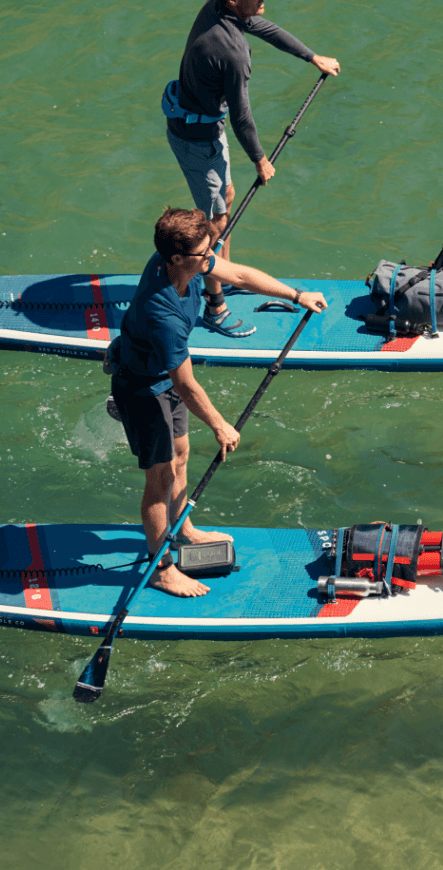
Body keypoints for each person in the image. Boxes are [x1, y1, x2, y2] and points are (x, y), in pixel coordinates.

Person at [111, 208, 327, 597]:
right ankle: (161, 569)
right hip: (143, 389)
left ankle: (185, 529)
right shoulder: (162, 312)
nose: (212, 256)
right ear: (176, 258)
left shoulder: (190, 262)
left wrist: (296, 295)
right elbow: (187, 384)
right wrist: (219, 424)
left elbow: (241, 275)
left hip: (161, 377)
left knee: (181, 454)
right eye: (204, 252)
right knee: (158, 479)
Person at [163, 0, 340, 337]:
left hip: (203, 128)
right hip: (197, 140)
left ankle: (221, 276)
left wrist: (312, 57)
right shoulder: (231, 51)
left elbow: (265, 28)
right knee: (212, 226)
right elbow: (243, 117)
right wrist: (260, 160)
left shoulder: (216, 7)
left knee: (225, 199)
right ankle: (215, 307)